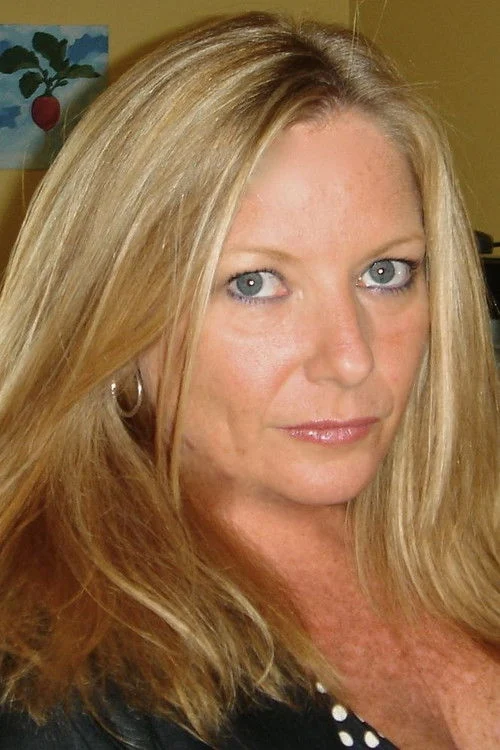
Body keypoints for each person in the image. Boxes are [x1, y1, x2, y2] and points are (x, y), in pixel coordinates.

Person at [0, 11, 498, 750]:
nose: (350, 359)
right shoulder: (61, 688)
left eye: (385, 272)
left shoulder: (473, 536)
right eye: (255, 282)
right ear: (113, 321)